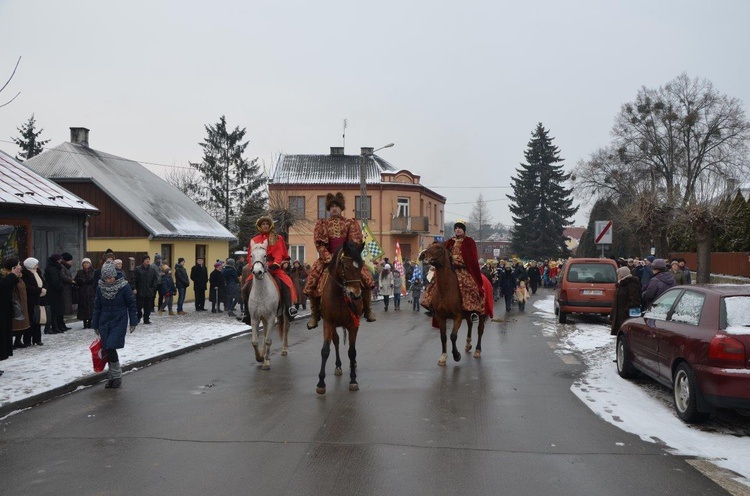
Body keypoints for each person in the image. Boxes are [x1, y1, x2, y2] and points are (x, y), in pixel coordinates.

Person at [303, 192, 376, 329]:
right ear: (329, 209)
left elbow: (355, 241)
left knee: (366, 277)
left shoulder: (350, 223)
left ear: (341, 208)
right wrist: (328, 258)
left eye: (337, 206)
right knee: (312, 279)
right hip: (328, 259)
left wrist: (346, 255)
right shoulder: (322, 223)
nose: (334, 209)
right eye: (332, 207)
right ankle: (314, 315)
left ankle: (368, 309)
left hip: (347, 257)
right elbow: (319, 244)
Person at [421, 220, 484, 322]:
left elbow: (472, 258)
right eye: (456, 228)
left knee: (469, 285)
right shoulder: (450, 241)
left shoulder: (469, 241)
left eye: (460, 228)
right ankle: (431, 306)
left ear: (463, 230)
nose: (458, 230)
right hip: (449, 267)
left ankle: (472, 310)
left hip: (462, 269)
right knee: (434, 283)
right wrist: (427, 252)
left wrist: (459, 261)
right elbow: (438, 249)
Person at [92, 262, 137, 389]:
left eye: (110, 277)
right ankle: (112, 377)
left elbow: (131, 305)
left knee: (111, 346)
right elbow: (97, 306)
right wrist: (95, 323)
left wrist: (133, 321)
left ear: (115, 276)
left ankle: (116, 376)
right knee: (107, 348)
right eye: (105, 278)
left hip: (119, 320)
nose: (108, 280)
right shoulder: (100, 287)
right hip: (104, 321)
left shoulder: (124, 286)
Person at [246, 216, 298, 320]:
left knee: (287, 282)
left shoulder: (277, 238)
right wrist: (253, 266)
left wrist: (276, 264)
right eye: (263, 224)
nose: (265, 226)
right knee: (246, 285)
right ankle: (246, 312)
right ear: (259, 226)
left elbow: (279, 253)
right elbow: (250, 256)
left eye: (267, 224)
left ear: (270, 226)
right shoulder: (254, 240)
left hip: (273, 267)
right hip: (259, 267)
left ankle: (289, 307)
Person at [1, 258, 24, 371]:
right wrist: (13, 275)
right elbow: (3, 286)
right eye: (18, 265)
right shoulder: (5, 277)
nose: (20, 267)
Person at [610, 266, 642, 336]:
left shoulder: (631, 284)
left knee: (625, 334)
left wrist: (626, 310)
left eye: (618, 275)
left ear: (622, 275)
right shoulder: (621, 284)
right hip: (619, 314)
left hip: (625, 315)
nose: (617, 276)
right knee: (621, 335)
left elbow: (635, 300)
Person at [21, 257, 46, 346]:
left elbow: (43, 282)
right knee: (30, 320)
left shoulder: (37, 272)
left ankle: (37, 339)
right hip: (30, 300)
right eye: (36, 264)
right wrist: (39, 290)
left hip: (38, 299)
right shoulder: (25, 274)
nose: (37, 266)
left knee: (37, 319)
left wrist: (43, 290)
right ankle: (27, 340)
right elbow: (27, 287)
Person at [44, 254, 66, 334]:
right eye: (60, 259)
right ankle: (54, 327)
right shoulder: (53, 268)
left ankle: (56, 326)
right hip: (53, 292)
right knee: (54, 310)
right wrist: (61, 287)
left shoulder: (54, 267)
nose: (61, 260)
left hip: (54, 292)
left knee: (55, 310)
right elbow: (55, 281)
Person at [133, 255, 158, 324]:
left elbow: (155, 280)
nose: (147, 261)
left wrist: (153, 288)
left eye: (148, 259)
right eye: (146, 259)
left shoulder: (152, 270)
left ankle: (146, 319)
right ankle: (138, 316)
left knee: (148, 307)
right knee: (139, 306)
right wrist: (134, 288)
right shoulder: (138, 269)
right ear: (143, 261)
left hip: (149, 291)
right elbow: (134, 280)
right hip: (140, 291)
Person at [74, 258, 96, 329]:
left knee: (91, 307)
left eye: (87, 263)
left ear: (90, 264)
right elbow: (77, 280)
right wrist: (85, 281)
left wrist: (86, 281)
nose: (86, 264)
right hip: (82, 292)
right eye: (84, 263)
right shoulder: (80, 272)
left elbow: (93, 280)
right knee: (83, 307)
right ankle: (84, 322)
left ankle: (90, 322)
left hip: (91, 292)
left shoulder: (93, 271)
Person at [60, 252, 75, 328]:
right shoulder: (63, 267)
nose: (71, 262)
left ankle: (62, 324)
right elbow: (63, 276)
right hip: (64, 289)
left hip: (67, 289)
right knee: (63, 307)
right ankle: (61, 323)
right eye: (70, 260)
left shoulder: (65, 267)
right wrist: (71, 280)